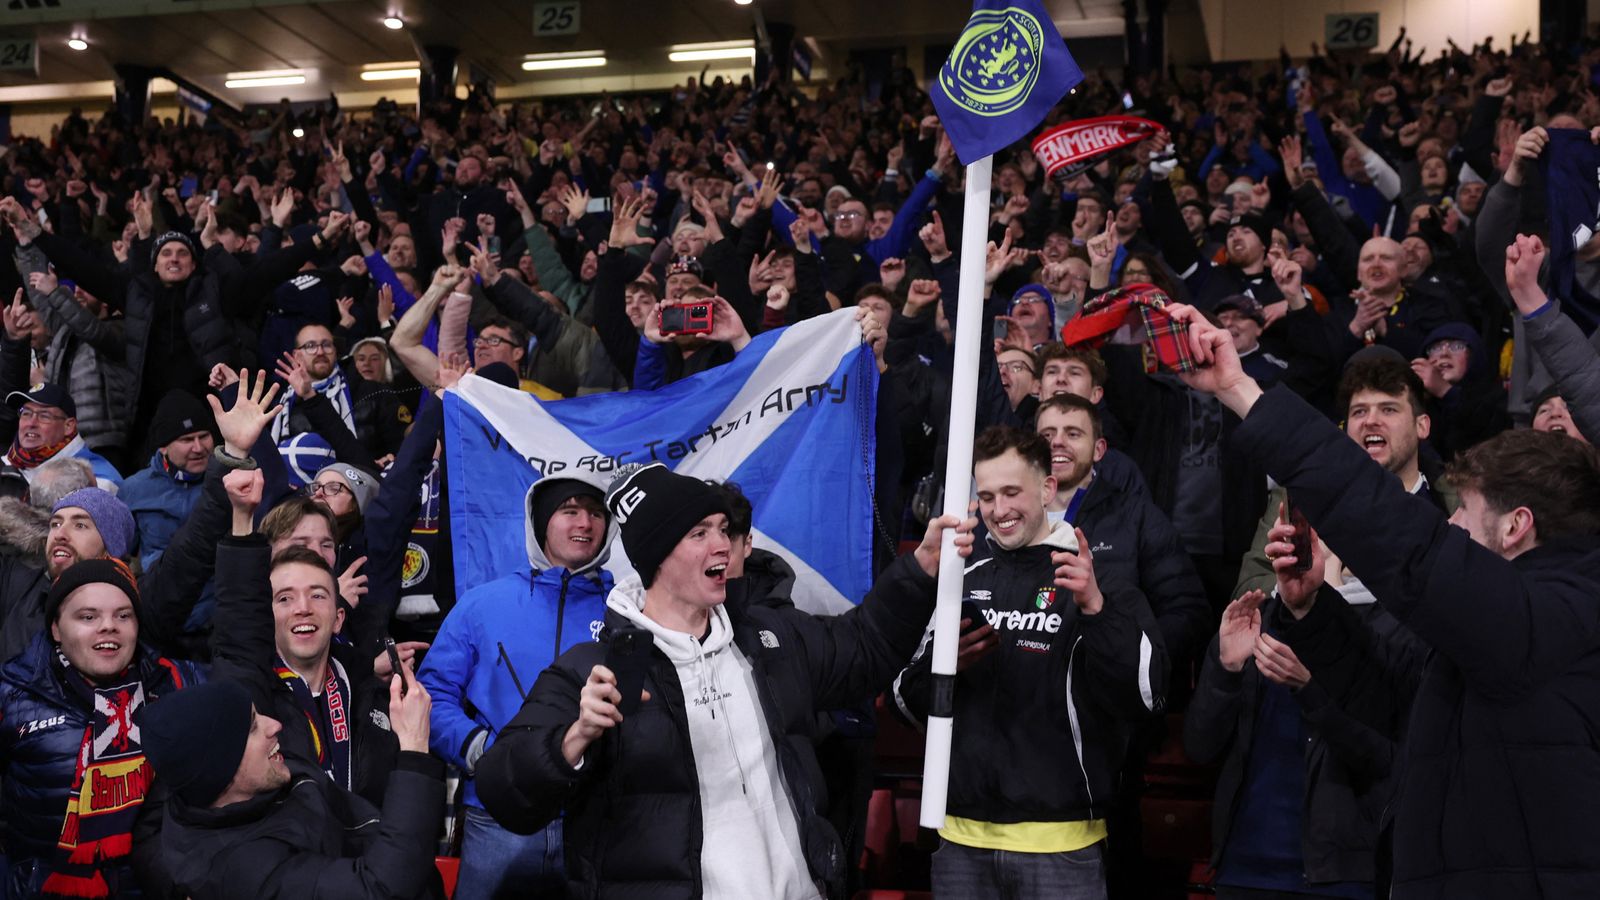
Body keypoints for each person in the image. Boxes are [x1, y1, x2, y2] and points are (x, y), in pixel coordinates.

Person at [1166, 299, 1600, 898]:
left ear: (1516, 525)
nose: (1451, 528)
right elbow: (1391, 683)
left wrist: (1243, 390)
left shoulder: (1560, 613)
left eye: (1465, 516)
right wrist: (1310, 606)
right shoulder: (1498, 628)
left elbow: (1405, 541)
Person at [476, 462, 974, 899]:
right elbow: (504, 791)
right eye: (699, 533)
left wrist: (920, 569)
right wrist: (575, 738)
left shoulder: (770, 636)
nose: (722, 544)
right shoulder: (592, 669)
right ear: (656, 558)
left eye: (722, 528)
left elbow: (863, 649)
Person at [894, 427, 1167, 900]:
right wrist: (945, 671)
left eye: (1012, 492)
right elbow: (905, 703)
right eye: (986, 496)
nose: (999, 511)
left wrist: (1098, 610)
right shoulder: (959, 579)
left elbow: (1144, 696)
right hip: (959, 839)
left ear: (1046, 489)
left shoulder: (1097, 582)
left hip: (1060, 845)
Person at [418, 474, 618, 899]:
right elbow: (431, 692)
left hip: (597, 819)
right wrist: (479, 749)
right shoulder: (482, 603)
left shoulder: (628, 608)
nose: (585, 522)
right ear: (542, 522)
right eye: (570, 511)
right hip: (497, 817)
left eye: (596, 512)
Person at [0, 558, 205, 898]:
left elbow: (244, 666)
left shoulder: (173, 682)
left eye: (123, 616)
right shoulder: (15, 692)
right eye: (88, 617)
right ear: (56, 628)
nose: (109, 626)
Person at [142, 672, 445, 899]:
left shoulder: (255, 779)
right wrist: (414, 748)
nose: (274, 725)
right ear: (220, 771)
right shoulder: (246, 873)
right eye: (252, 727)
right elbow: (378, 890)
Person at [208, 472, 404, 805]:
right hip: (292, 850)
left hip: (367, 849)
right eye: (284, 598)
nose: (303, 609)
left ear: (338, 615)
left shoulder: (366, 688)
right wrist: (242, 518)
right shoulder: (253, 685)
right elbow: (237, 627)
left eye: (317, 596)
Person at [118, 389, 218, 570]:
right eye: (186, 440)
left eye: (204, 436)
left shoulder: (227, 481)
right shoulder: (134, 489)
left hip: (216, 593)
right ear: (163, 448)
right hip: (160, 592)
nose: (198, 447)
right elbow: (119, 554)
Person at [2, 384, 121, 493]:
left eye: (44, 416)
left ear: (68, 426)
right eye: (26, 413)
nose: (31, 423)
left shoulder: (97, 480)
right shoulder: (7, 463)